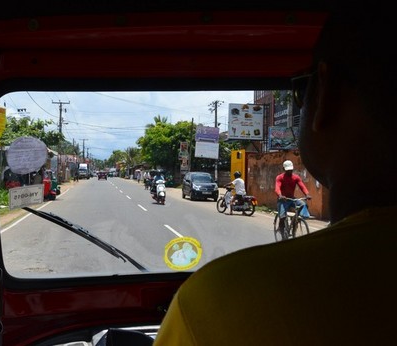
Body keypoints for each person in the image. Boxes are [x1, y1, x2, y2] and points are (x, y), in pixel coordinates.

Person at [153, 5, 396, 345]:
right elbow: (284, 186)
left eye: (301, 90)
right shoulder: (282, 179)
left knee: (302, 209)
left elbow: (295, 183)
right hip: (282, 200)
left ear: (326, 97)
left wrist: (305, 196)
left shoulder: (221, 297)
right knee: (283, 208)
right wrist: (284, 196)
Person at [274, 159, 312, 229]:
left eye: (291, 170)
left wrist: (307, 194)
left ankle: (295, 219)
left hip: (292, 199)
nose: (289, 171)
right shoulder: (280, 177)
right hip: (283, 200)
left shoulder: (295, 177)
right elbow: (277, 188)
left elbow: (302, 186)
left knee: (303, 204)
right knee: (282, 217)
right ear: (284, 169)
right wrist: (280, 195)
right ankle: (281, 229)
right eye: (288, 170)